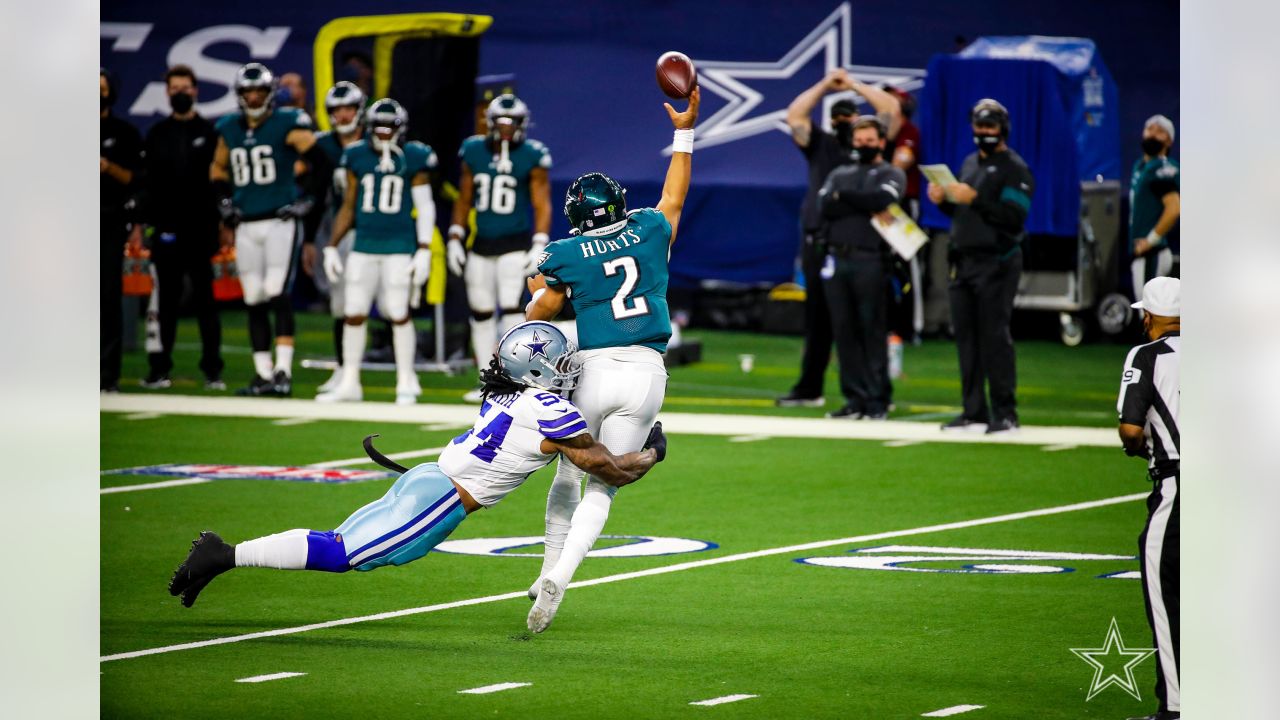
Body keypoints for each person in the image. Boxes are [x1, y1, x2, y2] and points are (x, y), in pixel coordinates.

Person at [167, 322, 668, 608]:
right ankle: (224, 555)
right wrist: (651, 449)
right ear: (534, 370)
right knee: (347, 555)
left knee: (341, 544)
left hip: (429, 480)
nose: (567, 372)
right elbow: (612, 471)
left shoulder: (510, 395)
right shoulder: (551, 410)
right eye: (558, 365)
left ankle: (224, 557)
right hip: (442, 499)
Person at [521, 88, 700, 633]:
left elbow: (540, 313)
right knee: (608, 484)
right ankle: (563, 574)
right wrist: (684, 130)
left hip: (592, 369)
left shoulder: (564, 253)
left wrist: (537, 289)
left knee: (570, 468)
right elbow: (673, 195)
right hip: (645, 371)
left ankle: (548, 565)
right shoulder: (647, 229)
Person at [776, 69, 901, 408]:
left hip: (865, 244)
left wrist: (854, 85)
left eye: (851, 117)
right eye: (840, 118)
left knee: (866, 321)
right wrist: (823, 85)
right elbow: (795, 116)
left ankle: (873, 393)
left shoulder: (871, 146)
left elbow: (891, 109)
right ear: (832, 122)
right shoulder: (823, 145)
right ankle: (813, 388)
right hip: (822, 240)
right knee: (821, 318)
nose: (847, 124)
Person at [210, 62, 328, 397]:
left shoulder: (287, 124)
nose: (253, 97)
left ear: (270, 93)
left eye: (258, 91)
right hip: (246, 223)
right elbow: (217, 169)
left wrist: (307, 200)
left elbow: (320, 162)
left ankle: (283, 371)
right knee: (253, 296)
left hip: (279, 219)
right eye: (247, 91)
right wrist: (223, 201)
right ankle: (262, 373)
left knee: (277, 291)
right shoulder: (229, 127)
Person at [316, 98, 435, 405]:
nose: (384, 134)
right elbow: (350, 204)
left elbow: (424, 206)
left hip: (398, 246)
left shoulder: (413, 156)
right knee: (353, 311)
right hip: (364, 244)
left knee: (398, 311)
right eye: (379, 129)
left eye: (389, 128)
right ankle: (350, 381)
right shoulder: (356, 155)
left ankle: (407, 379)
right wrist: (331, 245)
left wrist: (424, 248)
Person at [927, 98, 1033, 435]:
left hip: (997, 261)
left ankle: (1006, 412)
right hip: (963, 261)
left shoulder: (1014, 167)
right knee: (966, 339)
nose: (984, 132)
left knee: (994, 336)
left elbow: (1015, 215)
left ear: (1002, 129)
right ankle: (973, 411)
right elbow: (962, 214)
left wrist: (976, 199)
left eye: (990, 127)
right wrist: (944, 200)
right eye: (979, 126)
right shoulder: (970, 162)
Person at [448, 94, 554, 402]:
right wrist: (455, 234)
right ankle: (486, 378)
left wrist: (539, 241)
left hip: (515, 242)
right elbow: (464, 197)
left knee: (510, 309)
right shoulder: (474, 151)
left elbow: (541, 201)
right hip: (481, 243)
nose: (507, 129)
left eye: (512, 123)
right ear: (490, 122)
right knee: (480, 312)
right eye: (502, 122)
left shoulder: (531, 154)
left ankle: (510, 377)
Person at [132, 64, 224, 390]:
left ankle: (213, 371)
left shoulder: (210, 133)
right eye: (174, 88)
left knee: (205, 302)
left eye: (185, 88)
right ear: (167, 92)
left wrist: (223, 224)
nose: (180, 93)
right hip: (166, 227)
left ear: (196, 90)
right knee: (164, 303)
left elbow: (218, 183)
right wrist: (141, 223)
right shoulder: (157, 134)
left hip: (201, 228)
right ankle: (159, 369)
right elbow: (146, 183)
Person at [1117, 277, 1180, 720]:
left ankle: (1176, 708)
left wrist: (1137, 449)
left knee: (1166, 602)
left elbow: (1131, 429)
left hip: (1178, 491)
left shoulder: (1146, 354)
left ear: (1151, 316)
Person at [817, 117, 906, 419]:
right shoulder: (841, 172)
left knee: (872, 330)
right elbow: (825, 207)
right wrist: (863, 203)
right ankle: (854, 398)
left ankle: (878, 399)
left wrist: (845, 198)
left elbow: (884, 198)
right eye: (859, 140)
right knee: (844, 332)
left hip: (871, 258)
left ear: (882, 142)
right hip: (838, 258)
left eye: (869, 141)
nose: (863, 145)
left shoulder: (891, 172)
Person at [308, 81, 367, 394]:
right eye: (337, 110)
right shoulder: (323, 146)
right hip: (338, 232)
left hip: (376, 233)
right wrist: (310, 240)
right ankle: (344, 369)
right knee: (341, 304)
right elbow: (316, 195)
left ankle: (405, 378)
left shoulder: (378, 140)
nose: (343, 116)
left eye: (348, 109)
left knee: (396, 309)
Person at [100, 68, 143, 393]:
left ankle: (107, 374)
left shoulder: (124, 133)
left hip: (110, 220)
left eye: (101, 88)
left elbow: (136, 181)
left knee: (107, 297)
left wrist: (107, 167)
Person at [1129, 115, 1180, 297]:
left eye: (1160, 132)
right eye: (1150, 129)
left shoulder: (1161, 167)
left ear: (1169, 140)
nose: (1152, 134)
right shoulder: (1141, 166)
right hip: (1145, 253)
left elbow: (1174, 208)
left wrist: (1150, 240)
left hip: (1152, 253)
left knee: (1150, 319)